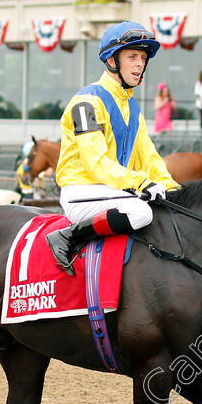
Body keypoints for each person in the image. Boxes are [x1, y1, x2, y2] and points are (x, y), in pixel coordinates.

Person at [48, 21, 180, 275]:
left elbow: (149, 158)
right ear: (111, 60)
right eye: (132, 56)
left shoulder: (133, 109)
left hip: (112, 191)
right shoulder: (85, 103)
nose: (140, 63)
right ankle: (66, 236)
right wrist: (141, 184)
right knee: (141, 211)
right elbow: (95, 163)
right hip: (82, 191)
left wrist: (174, 192)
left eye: (142, 57)